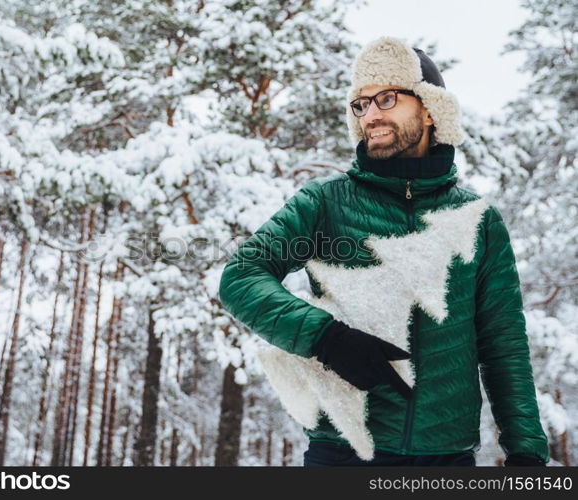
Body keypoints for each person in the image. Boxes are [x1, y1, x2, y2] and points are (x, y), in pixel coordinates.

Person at [218, 37, 549, 467]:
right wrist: (326, 339)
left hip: (446, 458)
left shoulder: (479, 219)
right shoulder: (325, 203)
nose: (370, 114)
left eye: (387, 98)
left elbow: (502, 343)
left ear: (430, 109)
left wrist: (526, 453)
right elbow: (240, 276)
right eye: (361, 103)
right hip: (343, 451)